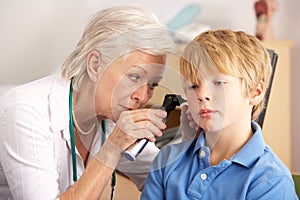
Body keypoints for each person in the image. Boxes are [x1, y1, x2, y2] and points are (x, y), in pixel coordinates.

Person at [0, 5, 176, 199]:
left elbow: (169, 179)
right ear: (95, 65)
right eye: (134, 77)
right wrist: (112, 148)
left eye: (152, 84)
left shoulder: (110, 117)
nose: (142, 97)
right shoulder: (27, 111)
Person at [141, 29, 298, 199]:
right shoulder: (166, 160)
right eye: (193, 86)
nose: (202, 94)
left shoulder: (271, 182)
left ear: (255, 92)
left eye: (218, 83)